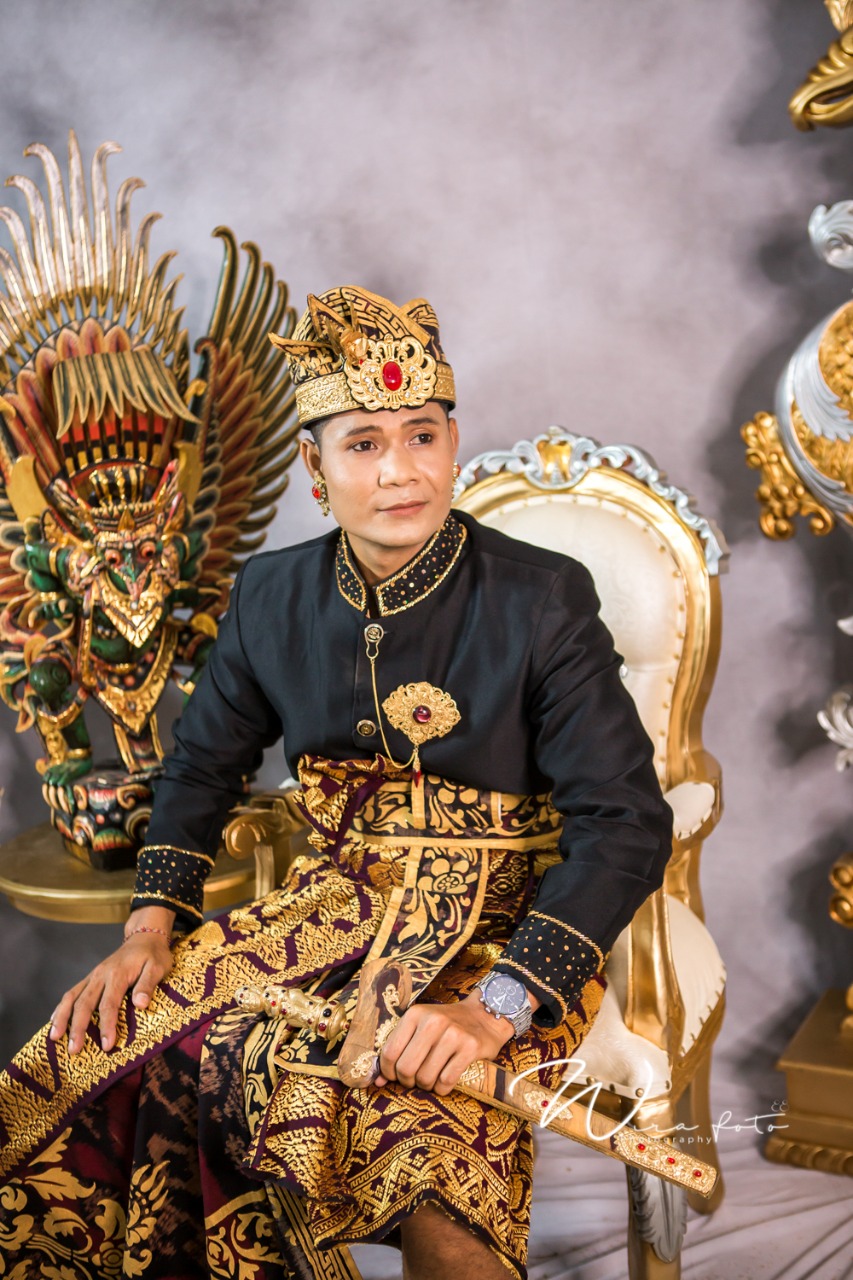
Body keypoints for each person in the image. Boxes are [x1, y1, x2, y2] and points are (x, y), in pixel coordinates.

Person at [0, 287, 673, 1280]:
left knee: (434, 1149)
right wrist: (150, 923)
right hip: (323, 911)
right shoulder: (270, 595)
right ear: (314, 469)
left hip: (502, 934)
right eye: (364, 444)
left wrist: (495, 1005)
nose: (401, 470)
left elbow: (624, 821)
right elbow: (201, 765)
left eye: (422, 435)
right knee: (97, 1061)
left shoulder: (540, 597)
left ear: (452, 443)